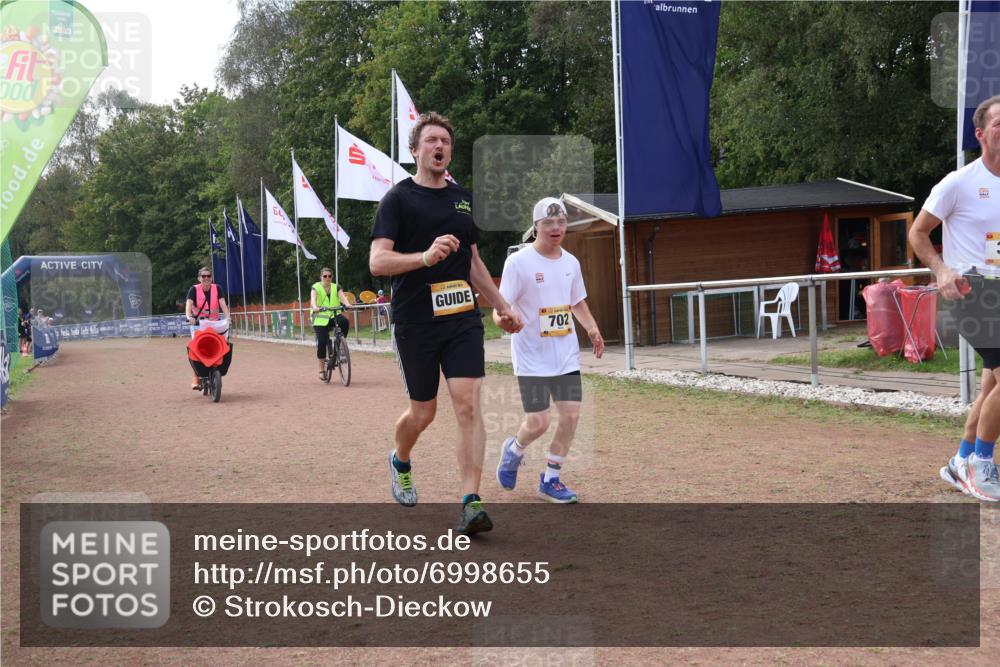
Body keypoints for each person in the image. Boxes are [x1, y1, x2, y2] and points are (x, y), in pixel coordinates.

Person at [370, 111, 523, 534]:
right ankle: (401, 460)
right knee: (424, 412)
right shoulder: (397, 199)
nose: (440, 146)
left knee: (468, 404)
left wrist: (502, 305)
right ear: (415, 150)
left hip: (461, 320)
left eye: (446, 142)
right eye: (432, 140)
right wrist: (423, 257)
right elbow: (378, 261)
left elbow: (472, 261)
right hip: (415, 321)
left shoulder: (462, 199)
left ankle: (471, 502)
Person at [909, 93, 1000, 502]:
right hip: (972, 291)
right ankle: (981, 464)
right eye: (999, 123)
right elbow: (917, 232)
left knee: (991, 384)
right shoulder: (958, 182)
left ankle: (961, 460)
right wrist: (941, 270)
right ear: (980, 134)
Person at [493, 198, 605, 503]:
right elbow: (501, 307)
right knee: (539, 422)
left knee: (571, 416)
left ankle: (551, 479)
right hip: (531, 357)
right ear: (536, 226)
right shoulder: (519, 263)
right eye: (549, 223)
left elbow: (576, 301)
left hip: (565, 355)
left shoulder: (571, 263)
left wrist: (591, 327)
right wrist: (505, 322)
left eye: (561, 222)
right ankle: (514, 450)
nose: (556, 228)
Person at [185, 267, 231, 389]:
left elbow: (223, 304)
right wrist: (190, 317)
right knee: (195, 349)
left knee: (223, 344)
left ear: (211, 278)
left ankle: (218, 369)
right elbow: (188, 305)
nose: (206, 278)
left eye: (208, 276)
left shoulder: (217, 288)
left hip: (214, 323)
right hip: (198, 324)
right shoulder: (193, 290)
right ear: (199, 278)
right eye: (203, 276)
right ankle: (196, 376)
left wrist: (228, 317)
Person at [310, 267, 352, 381]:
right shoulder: (316, 287)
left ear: (332, 277)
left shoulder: (336, 286)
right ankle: (321, 369)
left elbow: (342, 297)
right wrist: (315, 307)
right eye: (325, 276)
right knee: (322, 342)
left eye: (329, 276)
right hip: (320, 318)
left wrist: (347, 304)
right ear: (321, 277)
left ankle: (340, 346)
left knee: (344, 322)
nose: (327, 278)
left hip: (334, 315)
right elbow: (313, 299)